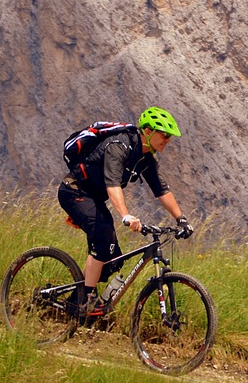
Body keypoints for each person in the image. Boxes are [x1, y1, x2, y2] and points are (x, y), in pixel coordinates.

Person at [58, 106, 194, 315]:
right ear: (147, 132)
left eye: (170, 137)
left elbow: (161, 189)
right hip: (74, 191)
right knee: (102, 236)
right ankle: (86, 300)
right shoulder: (119, 145)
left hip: (93, 198)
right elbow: (112, 183)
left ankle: (74, 302)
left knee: (113, 258)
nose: (168, 140)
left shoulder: (146, 158)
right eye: (164, 135)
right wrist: (126, 215)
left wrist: (181, 219)